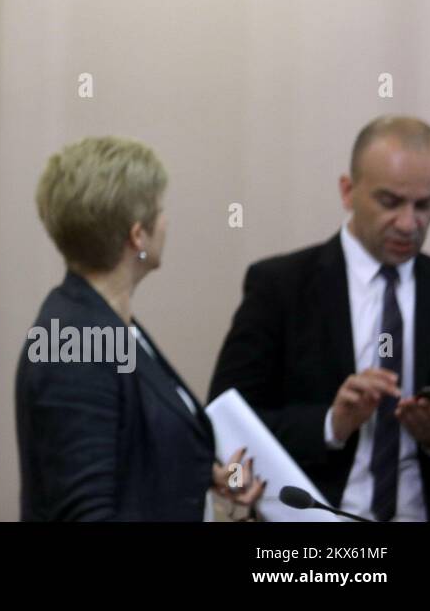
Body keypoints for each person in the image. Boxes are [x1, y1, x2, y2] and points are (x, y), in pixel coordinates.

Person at [16, 136, 262, 520]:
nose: (166, 221)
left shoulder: (108, 322)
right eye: (160, 210)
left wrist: (205, 477)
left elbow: (132, 450)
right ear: (137, 236)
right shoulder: (77, 344)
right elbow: (86, 512)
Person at [209, 116, 430, 521]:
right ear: (348, 192)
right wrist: (332, 423)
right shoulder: (280, 287)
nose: (409, 223)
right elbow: (226, 423)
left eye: (424, 205)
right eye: (390, 202)